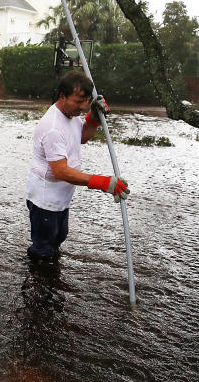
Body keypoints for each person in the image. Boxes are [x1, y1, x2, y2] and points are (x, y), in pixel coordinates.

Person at [25, 70, 129, 260]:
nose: (82, 107)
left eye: (86, 102)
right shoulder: (52, 127)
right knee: (43, 248)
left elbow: (80, 137)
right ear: (62, 96)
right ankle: (37, 283)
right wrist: (102, 182)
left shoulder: (71, 116)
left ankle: (49, 277)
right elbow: (60, 171)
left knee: (59, 237)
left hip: (61, 197)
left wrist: (93, 119)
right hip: (45, 199)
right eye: (78, 101)